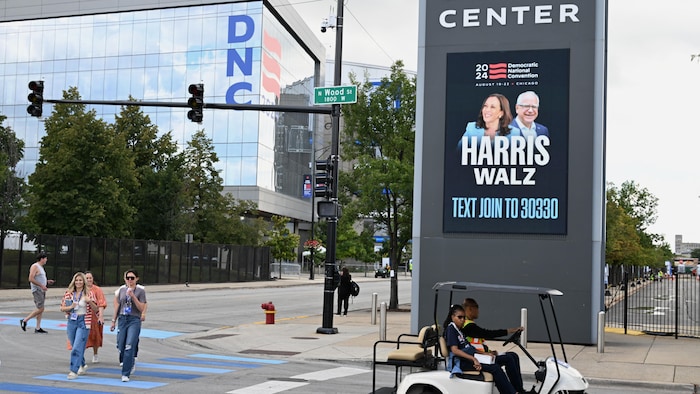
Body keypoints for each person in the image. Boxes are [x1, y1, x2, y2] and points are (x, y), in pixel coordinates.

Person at [462, 298, 534, 394]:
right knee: (508, 359)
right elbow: (488, 333)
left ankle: (519, 389)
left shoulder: (469, 325)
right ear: (470, 309)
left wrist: (489, 351)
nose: (478, 311)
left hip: (482, 355)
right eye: (477, 308)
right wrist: (509, 330)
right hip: (478, 358)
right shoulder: (468, 326)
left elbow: (479, 343)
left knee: (513, 355)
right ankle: (515, 391)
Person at [110, 269, 147, 382]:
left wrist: (133, 296)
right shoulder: (121, 290)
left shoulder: (140, 291)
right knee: (121, 345)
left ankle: (125, 373)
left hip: (134, 319)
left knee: (129, 345)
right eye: (128, 278)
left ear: (136, 279)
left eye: (132, 278)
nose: (130, 280)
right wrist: (113, 320)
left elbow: (142, 307)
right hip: (122, 319)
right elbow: (117, 306)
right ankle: (130, 361)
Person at [60, 272, 99, 380]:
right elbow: (62, 308)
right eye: (76, 280)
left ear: (84, 282)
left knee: (77, 346)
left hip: (83, 321)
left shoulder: (89, 293)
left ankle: (73, 370)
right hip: (72, 321)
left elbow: (96, 309)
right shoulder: (69, 293)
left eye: (80, 280)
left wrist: (89, 301)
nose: (78, 282)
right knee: (73, 344)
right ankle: (82, 363)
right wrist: (71, 307)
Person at [20, 253, 55, 333]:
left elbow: (39, 278)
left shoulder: (41, 267)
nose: (46, 260)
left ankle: (38, 327)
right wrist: (41, 285)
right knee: (41, 308)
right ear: (42, 259)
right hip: (37, 290)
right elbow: (31, 278)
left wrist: (47, 281)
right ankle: (25, 320)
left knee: (40, 309)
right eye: (46, 258)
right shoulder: (35, 266)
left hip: (41, 290)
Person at [442, 304, 481, 376]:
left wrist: (485, 354)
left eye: (464, 317)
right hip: (460, 362)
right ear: (453, 317)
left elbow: (468, 347)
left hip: (467, 358)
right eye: (459, 317)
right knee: (494, 368)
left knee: (502, 359)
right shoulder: (451, 329)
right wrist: (473, 359)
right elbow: (455, 350)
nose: (462, 320)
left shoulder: (460, 330)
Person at [85, 271, 107, 363]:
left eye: (90, 278)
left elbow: (101, 303)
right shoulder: (80, 289)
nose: (89, 280)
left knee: (95, 336)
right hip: (84, 316)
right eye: (87, 278)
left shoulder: (97, 290)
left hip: (94, 316)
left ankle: (95, 354)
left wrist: (100, 316)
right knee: (83, 336)